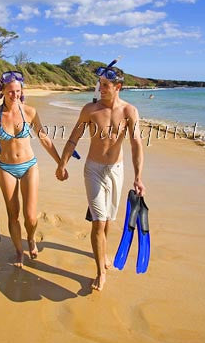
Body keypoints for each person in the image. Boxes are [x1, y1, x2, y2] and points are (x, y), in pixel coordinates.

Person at [56, 65, 145, 291]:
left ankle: (102, 252)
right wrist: (62, 163)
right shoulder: (90, 110)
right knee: (98, 222)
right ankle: (100, 272)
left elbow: (136, 145)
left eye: (106, 85)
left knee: (108, 221)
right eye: (100, 85)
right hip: (93, 169)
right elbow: (74, 138)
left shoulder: (129, 112)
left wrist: (138, 177)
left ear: (118, 87)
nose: (101, 88)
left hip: (116, 170)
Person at [0, 70, 67, 268]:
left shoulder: (29, 112)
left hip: (29, 166)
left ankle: (30, 238)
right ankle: (19, 251)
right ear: (2, 91)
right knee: (13, 214)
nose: (15, 95)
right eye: (11, 91)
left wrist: (60, 162)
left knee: (30, 215)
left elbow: (44, 138)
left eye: (18, 91)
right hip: (6, 168)